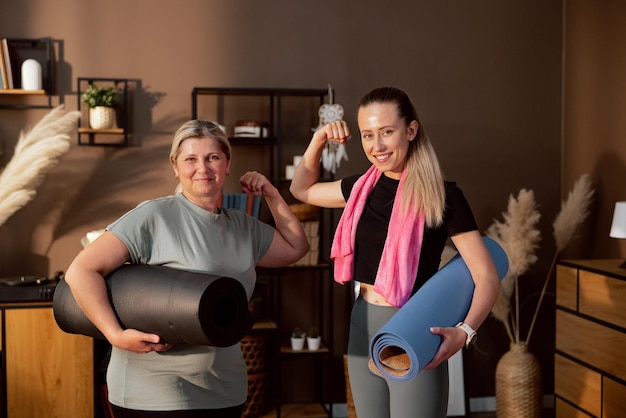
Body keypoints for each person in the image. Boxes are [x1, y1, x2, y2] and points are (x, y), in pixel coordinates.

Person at [64, 119, 309, 418]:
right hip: (154, 387)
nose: (202, 168)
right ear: (175, 165)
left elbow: (296, 249)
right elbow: (81, 271)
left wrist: (271, 194)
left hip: (224, 387)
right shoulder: (153, 216)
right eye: (191, 159)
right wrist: (115, 334)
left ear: (227, 164)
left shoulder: (243, 227)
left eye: (213, 158)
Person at [290, 87, 501, 417]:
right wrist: (318, 140)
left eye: (387, 132)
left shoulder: (443, 197)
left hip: (412, 325)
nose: (377, 146)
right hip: (361, 323)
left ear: (411, 130)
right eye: (368, 135)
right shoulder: (362, 188)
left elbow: (487, 276)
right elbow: (300, 189)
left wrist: (465, 333)